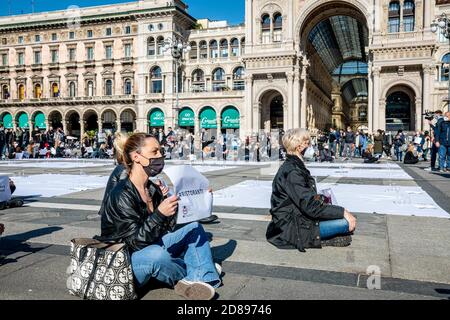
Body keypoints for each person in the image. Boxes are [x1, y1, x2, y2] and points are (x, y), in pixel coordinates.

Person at [98, 133, 221, 300]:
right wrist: (159, 214)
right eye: (154, 152)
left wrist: (196, 200)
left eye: (161, 152)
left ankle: (202, 278)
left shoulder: (152, 189)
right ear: (136, 157)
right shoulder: (121, 194)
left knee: (194, 228)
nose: (160, 156)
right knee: (157, 255)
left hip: (148, 245)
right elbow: (134, 242)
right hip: (124, 260)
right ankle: (195, 271)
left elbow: (168, 227)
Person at [266, 129, 357, 252]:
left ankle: (323, 236)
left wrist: (321, 199)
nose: (310, 146)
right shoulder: (293, 171)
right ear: (299, 147)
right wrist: (342, 212)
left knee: (343, 217)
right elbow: (309, 207)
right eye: (307, 142)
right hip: (292, 228)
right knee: (345, 222)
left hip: (296, 219)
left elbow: (303, 198)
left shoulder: (294, 166)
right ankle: (317, 239)